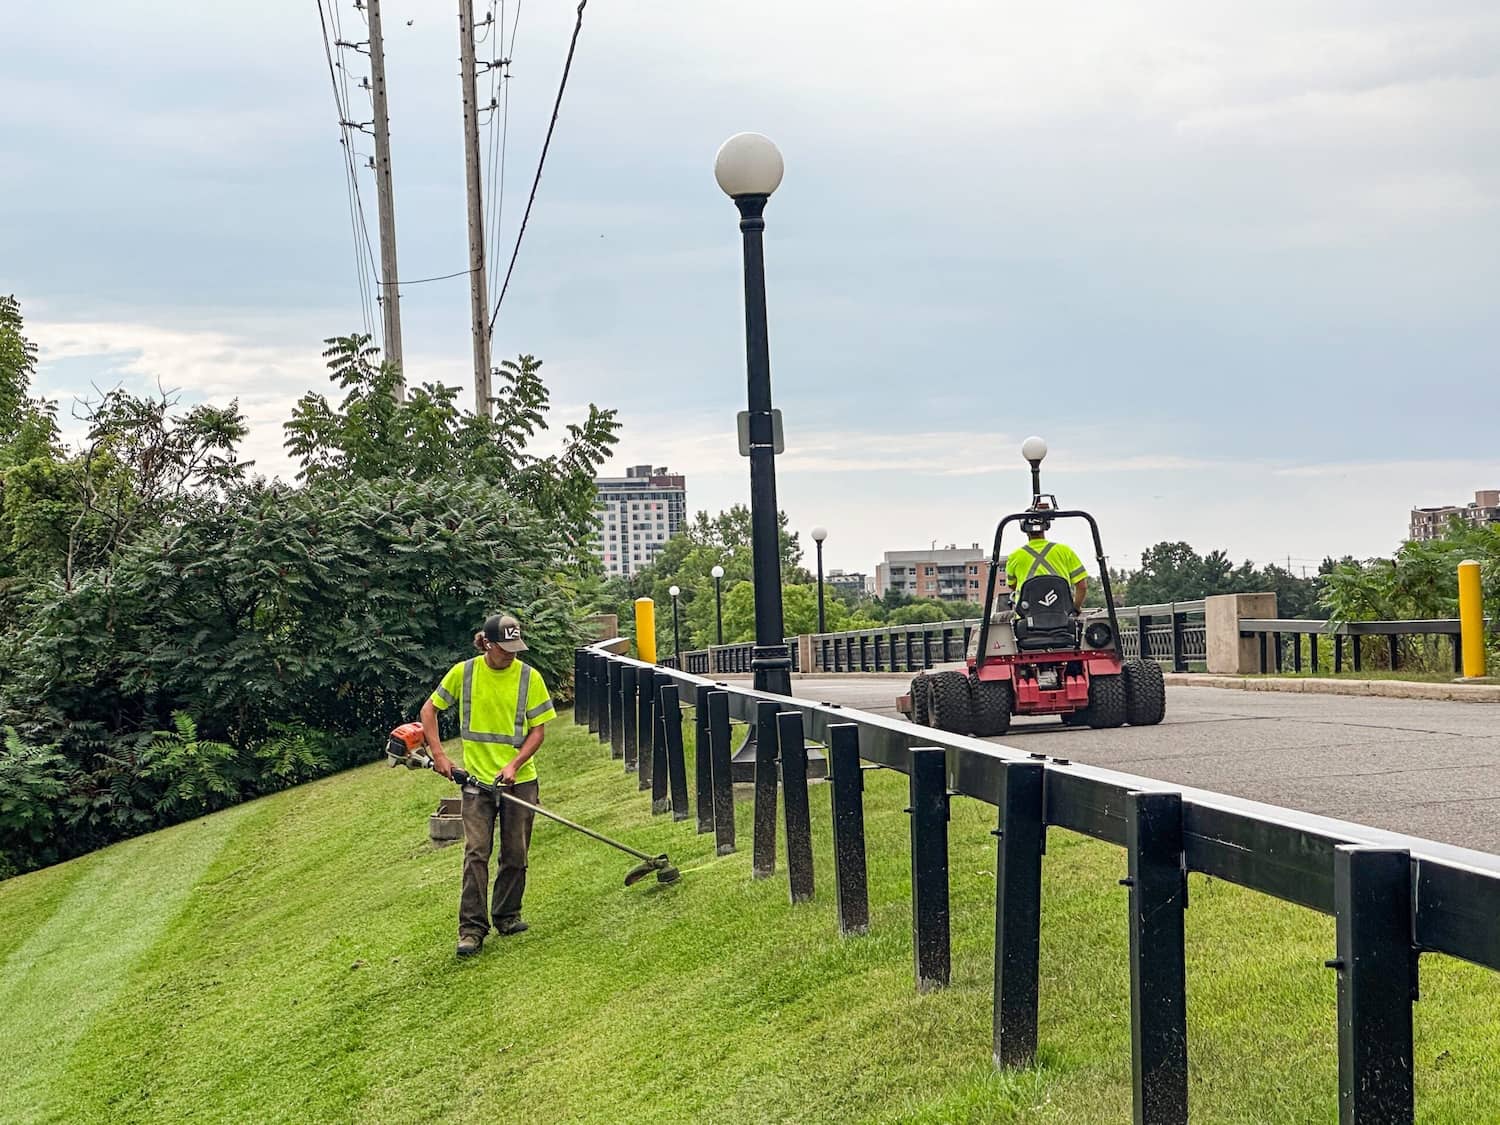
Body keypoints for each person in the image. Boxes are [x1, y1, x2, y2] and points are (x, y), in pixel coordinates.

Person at [420, 613, 557, 957]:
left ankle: (507, 916)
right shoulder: (464, 673)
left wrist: (514, 764)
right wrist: (439, 755)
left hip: (519, 781)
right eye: (505, 648)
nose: (512, 654)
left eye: (516, 647)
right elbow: (428, 711)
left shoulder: (529, 677)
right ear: (489, 644)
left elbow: (538, 731)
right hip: (477, 782)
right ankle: (471, 930)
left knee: (515, 853)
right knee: (476, 853)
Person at [1005, 510, 1088, 612]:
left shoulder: (1014, 556)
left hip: (1027, 620)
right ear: (1046, 526)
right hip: (1062, 617)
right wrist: (1075, 608)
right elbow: (1082, 586)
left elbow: (1012, 585)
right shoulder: (1065, 551)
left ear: (1024, 528)